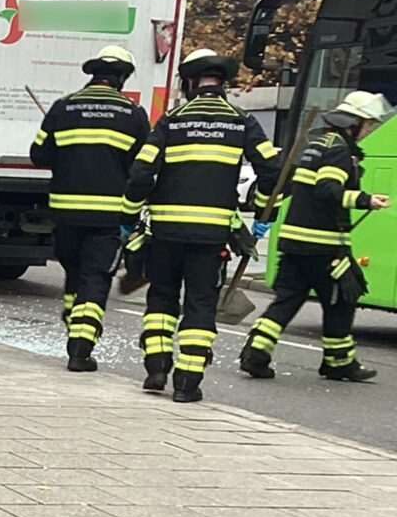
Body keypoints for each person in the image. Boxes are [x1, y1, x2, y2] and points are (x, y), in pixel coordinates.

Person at [121, 48, 279, 403]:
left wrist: (128, 217)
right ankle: (188, 384)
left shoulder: (171, 121)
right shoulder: (242, 121)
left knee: (161, 297)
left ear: (191, 82)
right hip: (211, 236)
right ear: (224, 83)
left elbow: (141, 173)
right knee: (201, 304)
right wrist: (265, 214)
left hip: (165, 232)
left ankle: (157, 369)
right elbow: (272, 170)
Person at [240, 90, 393, 382]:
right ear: (353, 123)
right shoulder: (338, 151)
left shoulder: (318, 143)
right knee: (341, 300)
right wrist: (366, 200)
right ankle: (338, 362)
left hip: (295, 242)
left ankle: (256, 353)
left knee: (288, 299)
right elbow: (328, 190)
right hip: (322, 246)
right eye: (368, 124)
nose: (370, 130)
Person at [30, 46, 151, 372]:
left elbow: (38, 156)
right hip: (109, 217)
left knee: (74, 275)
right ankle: (81, 348)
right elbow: (144, 168)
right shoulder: (133, 114)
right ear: (123, 77)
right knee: (95, 279)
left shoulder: (63, 107)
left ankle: (74, 326)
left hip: (65, 214)